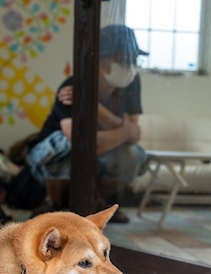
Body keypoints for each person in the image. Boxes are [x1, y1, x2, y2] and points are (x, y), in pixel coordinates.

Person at [27, 24, 149, 223]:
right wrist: (123, 130)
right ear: (100, 60)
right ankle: (52, 201)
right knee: (70, 144)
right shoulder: (73, 86)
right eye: (121, 59)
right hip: (50, 159)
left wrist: (93, 106)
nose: (129, 65)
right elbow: (77, 138)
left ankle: (99, 201)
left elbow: (134, 134)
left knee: (134, 154)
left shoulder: (132, 83)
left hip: (98, 159)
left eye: (133, 59)